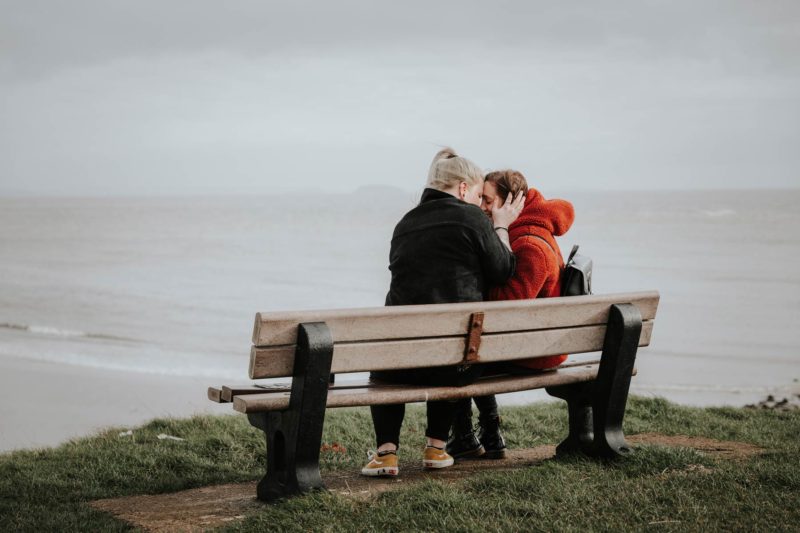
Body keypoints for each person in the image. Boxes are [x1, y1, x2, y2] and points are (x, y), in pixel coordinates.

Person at [361, 148, 525, 477]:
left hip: (400, 365)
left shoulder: (404, 224)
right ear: (463, 188)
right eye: (479, 194)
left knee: (385, 366)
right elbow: (504, 269)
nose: (481, 203)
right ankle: (436, 448)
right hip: (454, 366)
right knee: (453, 346)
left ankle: (386, 455)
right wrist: (502, 226)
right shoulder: (472, 217)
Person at [446, 169, 575, 460]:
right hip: (536, 339)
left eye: (488, 201)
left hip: (537, 351)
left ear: (510, 203)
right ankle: (487, 435)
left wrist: (474, 289)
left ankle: (474, 435)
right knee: (471, 349)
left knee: (458, 359)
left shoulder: (529, 245)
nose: (482, 208)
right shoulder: (528, 231)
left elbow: (506, 308)